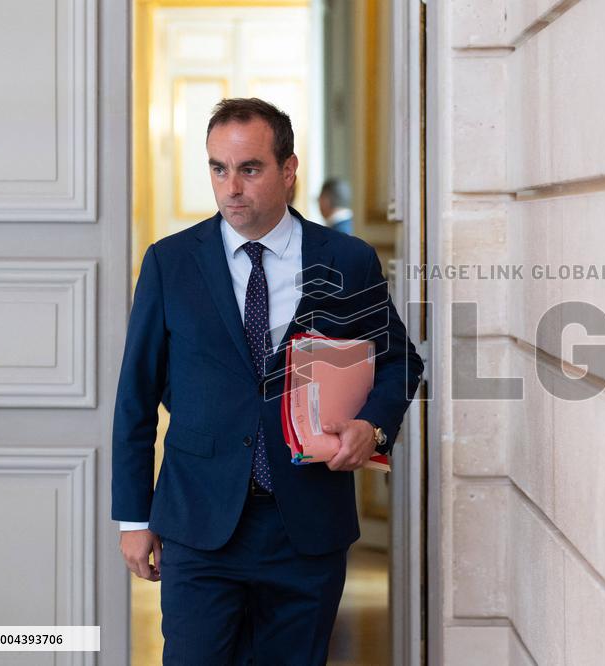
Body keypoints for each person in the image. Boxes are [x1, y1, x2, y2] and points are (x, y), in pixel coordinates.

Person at [112, 97, 423, 665]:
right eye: (218, 168)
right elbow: (135, 397)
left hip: (304, 529)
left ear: (288, 169)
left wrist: (372, 428)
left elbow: (400, 361)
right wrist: (134, 518)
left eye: (249, 168)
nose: (231, 187)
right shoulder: (170, 262)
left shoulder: (348, 260)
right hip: (198, 524)